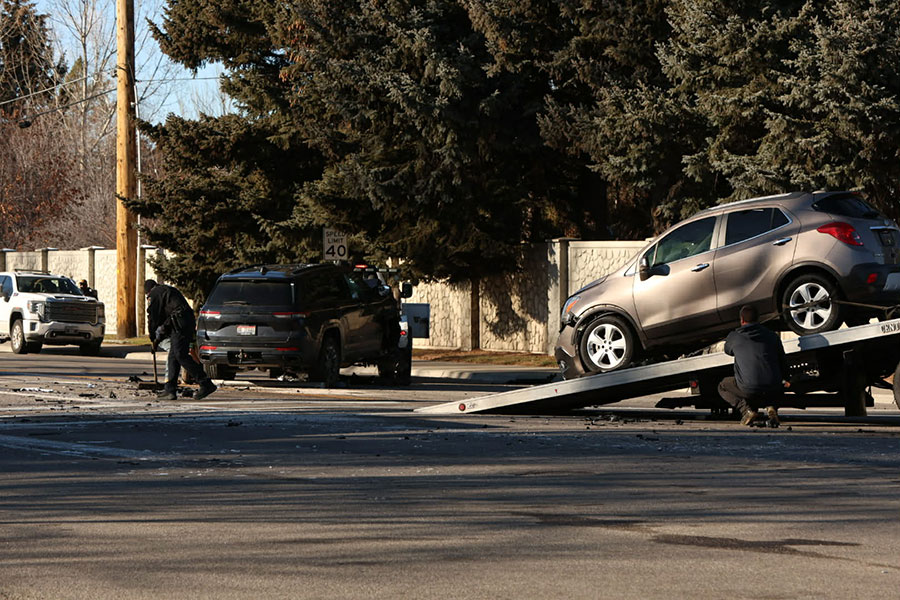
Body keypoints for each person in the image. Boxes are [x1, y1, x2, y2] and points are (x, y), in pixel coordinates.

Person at [145, 279, 216, 401]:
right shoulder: (167, 291)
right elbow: (166, 322)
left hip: (180, 324)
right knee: (173, 355)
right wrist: (157, 339)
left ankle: (206, 383)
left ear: (148, 292)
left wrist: (152, 336)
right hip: (183, 322)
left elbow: (153, 318)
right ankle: (170, 389)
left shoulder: (154, 294)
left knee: (180, 355)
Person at [719, 305, 789, 426]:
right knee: (776, 384)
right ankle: (772, 407)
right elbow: (782, 361)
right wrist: (787, 379)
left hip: (748, 388)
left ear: (741, 320)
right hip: (773, 387)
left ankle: (746, 410)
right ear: (758, 319)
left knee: (722, 386)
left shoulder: (734, 336)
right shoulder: (773, 336)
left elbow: (727, 350)